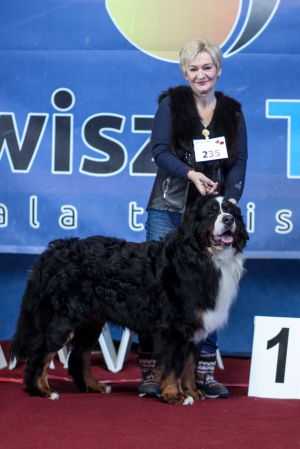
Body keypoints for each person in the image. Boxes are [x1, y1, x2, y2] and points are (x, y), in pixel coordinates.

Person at [138, 39, 248, 399]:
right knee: (156, 291)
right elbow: (159, 152)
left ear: (218, 69)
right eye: (194, 68)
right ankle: (153, 372)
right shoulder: (171, 105)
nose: (201, 74)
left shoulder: (232, 111)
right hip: (168, 209)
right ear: (185, 72)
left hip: (210, 216)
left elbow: (238, 162)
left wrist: (228, 202)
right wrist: (190, 174)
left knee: (210, 290)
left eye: (207, 67)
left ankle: (202, 373)